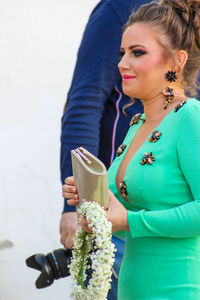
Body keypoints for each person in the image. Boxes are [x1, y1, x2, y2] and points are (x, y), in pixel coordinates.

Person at [63, 0, 200, 298]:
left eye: (137, 52)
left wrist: (128, 220)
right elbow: (130, 219)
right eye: (121, 53)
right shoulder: (137, 123)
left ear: (176, 61)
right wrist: (93, 204)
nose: (122, 63)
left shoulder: (191, 117)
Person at [60, 0, 150, 298]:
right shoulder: (121, 7)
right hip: (113, 213)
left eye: (136, 53)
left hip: (179, 221)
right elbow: (83, 104)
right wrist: (77, 207)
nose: (124, 63)